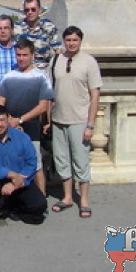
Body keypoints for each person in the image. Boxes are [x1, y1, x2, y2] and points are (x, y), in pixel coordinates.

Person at [49, 26, 102, 219]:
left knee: (81, 161)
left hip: (79, 120)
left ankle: (84, 200)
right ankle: (67, 197)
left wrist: (90, 124)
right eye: (68, 40)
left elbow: (95, 95)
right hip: (58, 119)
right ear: (64, 41)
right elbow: (50, 91)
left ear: (80, 41)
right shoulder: (56, 60)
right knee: (61, 160)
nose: (71, 43)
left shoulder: (89, 62)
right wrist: (48, 118)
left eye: (75, 40)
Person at [0, 107, 47, 235]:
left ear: (8, 119)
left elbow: (31, 163)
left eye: (2, 120)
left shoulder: (22, 137)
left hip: (20, 179)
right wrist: (12, 175)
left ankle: (14, 208)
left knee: (39, 207)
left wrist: (16, 184)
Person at [0, 38, 54, 195]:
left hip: (31, 125)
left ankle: (41, 197)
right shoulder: (8, 76)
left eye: (25, 55)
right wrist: (9, 120)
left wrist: (20, 120)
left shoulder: (41, 77)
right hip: (10, 125)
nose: (21, 58)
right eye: (18, 55)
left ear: (32, 55)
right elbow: (1, 102)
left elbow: (43, 106)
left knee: (36, 164)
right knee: (10, 162)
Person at [15, 0, 61, 70]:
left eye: (33, 9)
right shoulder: (17, 28)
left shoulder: (49, 27)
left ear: (40, 10)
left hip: (44, 70)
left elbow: (57, 50)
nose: (30, 12)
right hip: (23, 70)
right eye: (27, 10)